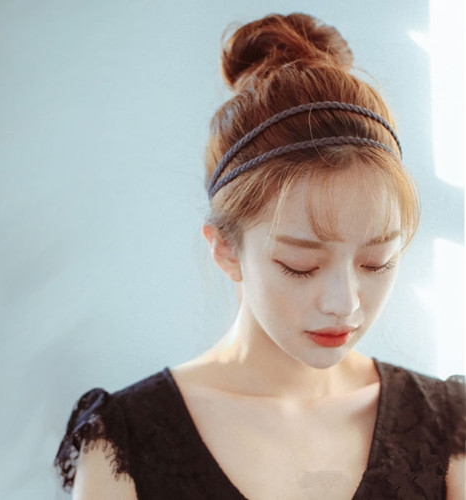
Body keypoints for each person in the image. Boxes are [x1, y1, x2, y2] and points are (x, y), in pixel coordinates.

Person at [55, 13, 465, 499]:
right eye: (301, 265)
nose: (345, 304)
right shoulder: (124, 442)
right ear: (225, 248)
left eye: (376, 262)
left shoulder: (449, 425)